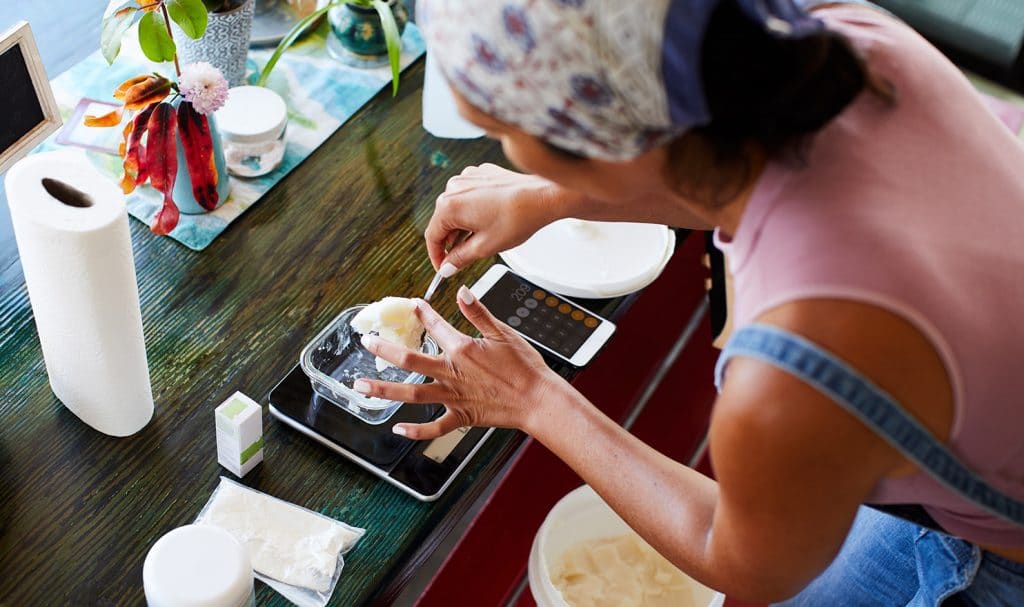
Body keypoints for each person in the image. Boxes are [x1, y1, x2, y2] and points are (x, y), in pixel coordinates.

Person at [352, 0, 1024, 603]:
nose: (504, 150)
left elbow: (736, 555)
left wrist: (533, 396)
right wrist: (547, 195)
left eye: (502, 129)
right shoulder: (843, 42)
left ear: (604, 144)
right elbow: (729, 164)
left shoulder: (797, 368)